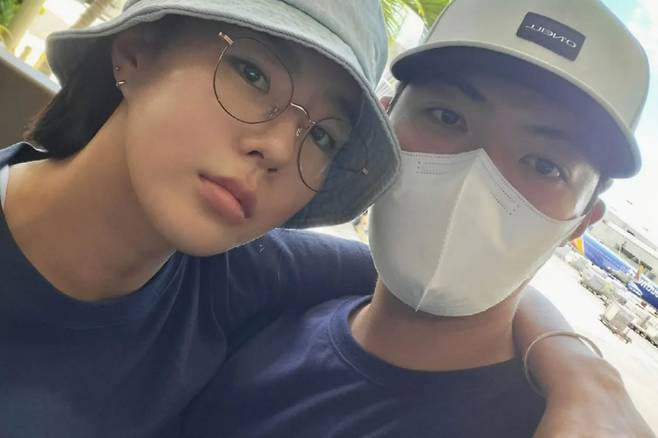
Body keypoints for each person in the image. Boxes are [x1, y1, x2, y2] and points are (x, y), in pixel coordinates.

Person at [0, 0, 647, 437]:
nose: (278, 147)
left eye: (543, 165)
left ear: (581, 222)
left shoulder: (232, 277)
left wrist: (586, 380)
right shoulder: (249, 283)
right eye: (448, 117)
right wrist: (583, 369)